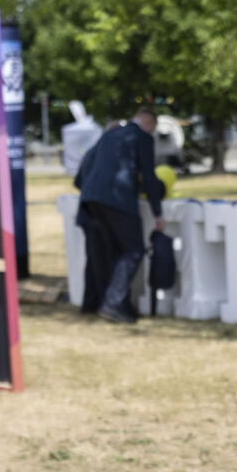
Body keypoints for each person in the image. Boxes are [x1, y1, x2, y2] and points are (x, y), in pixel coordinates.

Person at [74, 104, 165, 323]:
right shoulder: (142, 138)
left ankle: (118, 305)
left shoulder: (111, 133)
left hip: (91, 198)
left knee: (113, 251)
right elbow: (149, 177)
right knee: (133, 250)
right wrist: (157, 213)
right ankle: (112, 304)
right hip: (118, 199)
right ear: (149, 124)